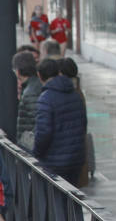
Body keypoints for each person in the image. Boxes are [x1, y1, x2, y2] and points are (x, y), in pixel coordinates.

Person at [33, 57, 87, 186]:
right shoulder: (75, 94)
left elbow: (44, 132)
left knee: (55, 200)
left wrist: (36, 153)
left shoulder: (46, 98)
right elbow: (83, 124)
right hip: (76, 158)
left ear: (39, 76)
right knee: (73, 199)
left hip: (55, 161)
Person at [13, 51, 42, 149]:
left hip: (31, 147)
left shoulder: (30, 92)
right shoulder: (36, 84)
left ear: (17, 71)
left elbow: (39, 120)